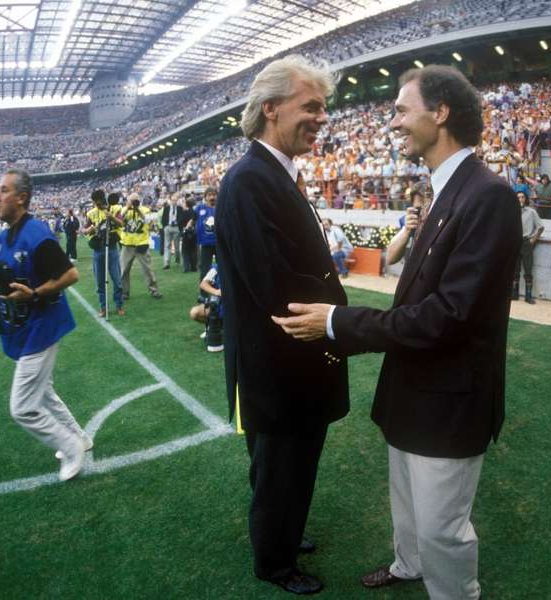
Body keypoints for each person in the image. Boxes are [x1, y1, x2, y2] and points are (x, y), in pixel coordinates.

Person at [272, 64, 520, 600]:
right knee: (408, 508)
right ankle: (408, 566)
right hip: (413, 394)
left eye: (402, 111)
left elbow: (449, 315)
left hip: (450, 403)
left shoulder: (488, 195)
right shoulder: (447, 190)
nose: (393, 124)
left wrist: (338, 322)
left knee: (442, 529)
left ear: (441, 113)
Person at [214, 55, 349, 596]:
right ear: (270, 109)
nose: (321, 118)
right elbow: (273, 281)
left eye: (324, 108)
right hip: (279, 358)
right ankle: (275, 560)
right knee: (280, 465)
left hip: (292, 355)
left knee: (289, 464)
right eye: (310, 106)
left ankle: (285, 533)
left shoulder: (273, 175)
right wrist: (339, 319)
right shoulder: (250, 180)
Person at [0, 168, 90, 482]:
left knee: (22, 407)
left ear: (22, 198)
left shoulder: (37, 235)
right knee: (44, 393)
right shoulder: (1, 240)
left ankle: (71, 447)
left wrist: (34, 293)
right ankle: (80, 438)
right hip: (23, 326)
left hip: (43, 326)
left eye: (4, 190)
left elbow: (70, 275)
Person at [83, 189, 124, 317]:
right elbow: (84, 230)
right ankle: (103, 307)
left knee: (117, 280)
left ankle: (119, 305)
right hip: (98, 249)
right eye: (95, 203)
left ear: (103, 199)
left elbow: (121, 224)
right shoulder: (91, 213)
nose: (97, 205)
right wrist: (90, 229)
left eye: (99, 202)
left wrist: (112, 217)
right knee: (100, 281)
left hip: (111, 248)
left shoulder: (115, 209)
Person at [119, 192, 161, 301]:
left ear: (139, 200)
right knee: (123, 270)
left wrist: (137, 209)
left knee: (147, 269)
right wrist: (128, 208)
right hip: (127, 243)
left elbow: (148, 222)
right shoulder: (124, 210)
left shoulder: (145, 210)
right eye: (131, 200)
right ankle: (124, 292)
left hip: (142, 243)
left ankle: (154, 290)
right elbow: (119, 219)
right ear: (127, 201)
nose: (133, 202)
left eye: (135, 200)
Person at [188, 261, 224, 352]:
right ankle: (211, 326)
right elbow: (203, 284)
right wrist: (217, 292)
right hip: (217, 306)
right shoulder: (216, 268)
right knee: (194, 312)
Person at [515, 190, 543, 304]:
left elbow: (540, 227)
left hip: (527, 243)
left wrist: (533, 239)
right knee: (515, 270)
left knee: (528, 269)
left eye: (522, 197)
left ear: (525, 199)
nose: (520, 199)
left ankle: (528, 296)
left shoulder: (532, 212)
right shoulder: (512, 211)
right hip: (515, 243)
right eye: (518, 197)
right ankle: (514, 294)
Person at [386, 189, 426, 265]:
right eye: (419, 209)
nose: (424, 213)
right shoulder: (410, 223)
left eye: (427, 208)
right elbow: (389, 259)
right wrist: (406, 231)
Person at [196, 188, 218, 280]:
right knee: (205, 269)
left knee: (222, 268)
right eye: (209, 195)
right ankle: (204, 293)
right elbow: (192, 220)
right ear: (205, 197)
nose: (212, 197)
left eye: (214, 195)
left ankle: (221, 290)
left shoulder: (221, 207)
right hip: (205, 243)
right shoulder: (200, 208)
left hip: (219, 243)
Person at [161, 193, 183, 269]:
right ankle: (166, 263)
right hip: (168, 227)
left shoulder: (180, 208)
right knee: (167, 245)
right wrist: (165, 227)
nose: (174, 202)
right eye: (173, 200)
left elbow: (181, 218)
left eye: (175, 200)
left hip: (176, 228)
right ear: (170, 200)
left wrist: (178, 222)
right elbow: (163, 218)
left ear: (177, 201)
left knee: (177, 247)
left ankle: (177, 261)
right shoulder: (166, 208)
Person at [180, 197, 198, 272]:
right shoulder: (195, 212)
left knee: (185, 251)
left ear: (187, 204)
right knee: (193, 250)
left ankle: (186, 267)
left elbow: (180, 222)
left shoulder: (184, 212)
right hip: (194, 233)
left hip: (186, 232)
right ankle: (194, 267)